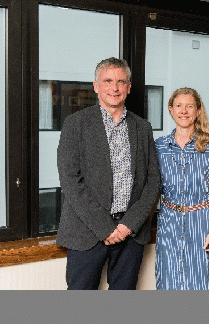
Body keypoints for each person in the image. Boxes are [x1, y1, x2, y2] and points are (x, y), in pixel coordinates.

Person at [56, 57, 160, 290]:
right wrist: (106, 228)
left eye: (121, 81)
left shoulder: (142, 127)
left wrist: (128, 225)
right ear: (96, 86)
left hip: (130, 233)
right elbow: (70, 181)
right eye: (108, 80)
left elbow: (153, 182)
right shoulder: (76, 124)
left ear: (129, 87)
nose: (115, 87)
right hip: (86, 231)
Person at [155, 87, 209, 290]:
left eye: (189, 106)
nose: (183, 111)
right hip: (169, 222)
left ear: (198, 111)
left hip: (203, 224)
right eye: (178, 106)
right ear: (170, 110)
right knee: (169, 279)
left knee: (201, 280)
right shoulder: (159, 147)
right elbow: (153, 189)